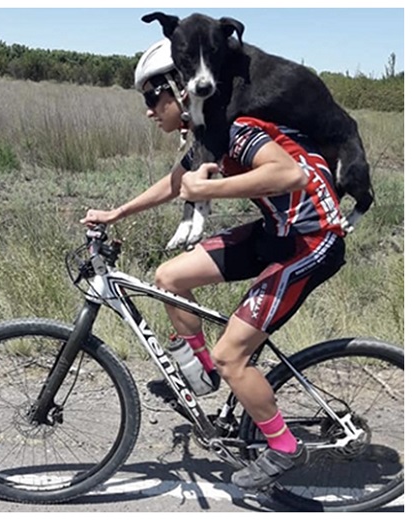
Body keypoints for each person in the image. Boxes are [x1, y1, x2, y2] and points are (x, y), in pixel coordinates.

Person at [81, 38, 347, 489]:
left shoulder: (239, 128)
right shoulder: (209, 133)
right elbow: (176, 183)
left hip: (313, 239)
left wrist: (208, 192)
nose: (149, 110)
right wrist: (116, 213)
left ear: (180, 90)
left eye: (153, 96)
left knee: (232, 355)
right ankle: (202, 376)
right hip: (277, 232)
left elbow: (290, 174)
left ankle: (284, 447)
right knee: (170, 277)